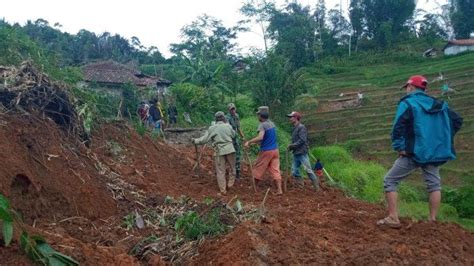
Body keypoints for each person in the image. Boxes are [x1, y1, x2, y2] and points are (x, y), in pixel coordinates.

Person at [377, 75, 463, 228]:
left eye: (407, 88)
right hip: (434, 153)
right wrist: (440, 139)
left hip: (413, 153)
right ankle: (432, 220)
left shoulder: (408, 103)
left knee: (390, 181)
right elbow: (457, 121)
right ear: (425, 89)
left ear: (410, 87)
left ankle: (393, 217)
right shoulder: (439, 104)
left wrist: (399, 147)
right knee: (434, 185)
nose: (407, 90)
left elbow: (398, 127)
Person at [193, 111, 236, 196]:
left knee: (220, 171)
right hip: (230, 149)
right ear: (224, 118)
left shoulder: (212, 128)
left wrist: (195, 141)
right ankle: (230, 184)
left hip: (219, 151)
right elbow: (234, 135)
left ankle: (223, 190)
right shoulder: (228, 126)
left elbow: (204, 140)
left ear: (215, 119)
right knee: (232, 168)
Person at [244, 106, 283, 195]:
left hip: (266, 151)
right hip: (275, 150)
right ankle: (279, 190)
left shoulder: (262, 125)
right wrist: (257, 143)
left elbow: (261, 137)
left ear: (261, 116)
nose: (257, 117)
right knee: (275, 170)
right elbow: (267, 138)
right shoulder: (272, 124)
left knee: (259, 168)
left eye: (258, 115)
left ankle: (254, 188)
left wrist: (249, 142)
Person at [287, 111, 319, 190]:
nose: (290, 119)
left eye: (291, 117)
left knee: (308, 170)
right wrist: (292, 147)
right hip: (296, 153)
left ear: (296, 118)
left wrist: (292, 145)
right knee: (294, 171)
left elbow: (302, 140)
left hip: (302, 153)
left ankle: (317, 187)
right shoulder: (295, 128)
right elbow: (296, 141)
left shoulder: (301, 127)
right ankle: (300, 185)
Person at [226, 103, 245, 179]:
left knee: (237, 155)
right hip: (229, 139)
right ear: (228, 110)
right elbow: (227, 130)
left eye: (234, 109)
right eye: (231, 109)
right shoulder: (227, 118)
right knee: (229, 155)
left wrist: (243, 137)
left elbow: (238, 128)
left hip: (235, 139)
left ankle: (237, 173)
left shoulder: (236, 116)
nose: (233, 110)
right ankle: (229, 171)